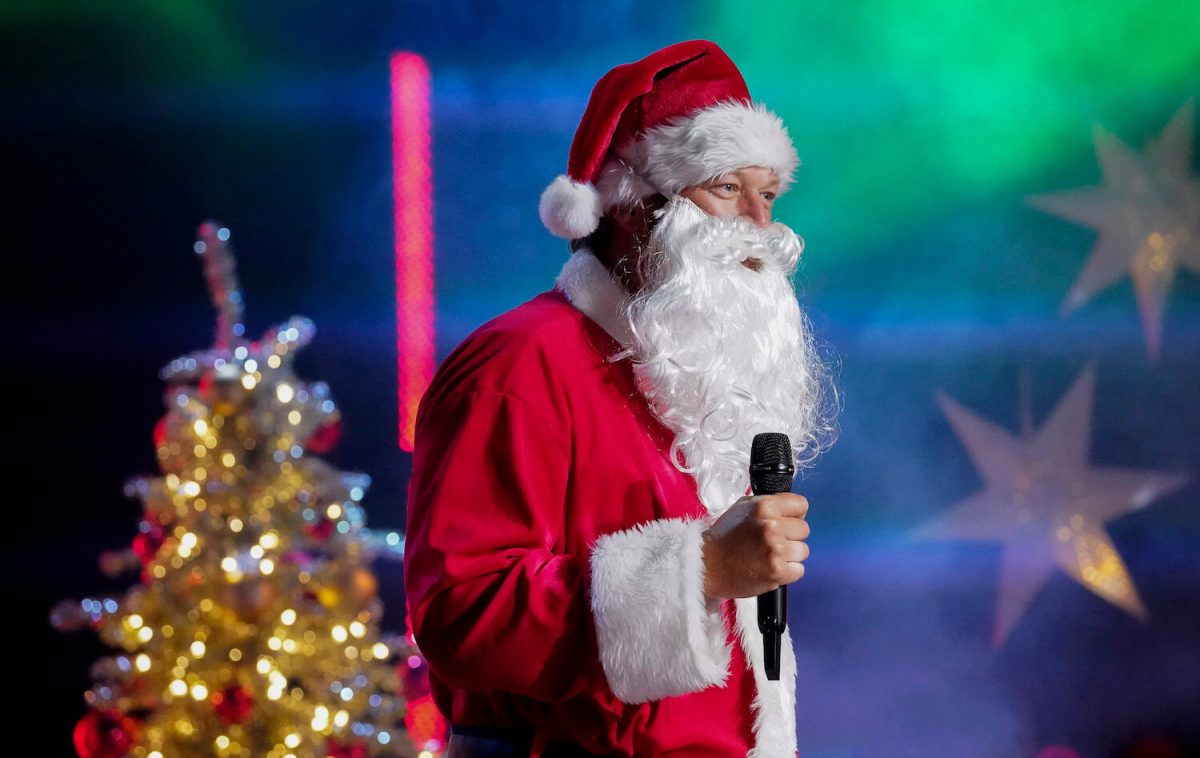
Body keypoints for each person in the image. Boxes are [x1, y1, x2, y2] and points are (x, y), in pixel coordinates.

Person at [404, 39, 835, 757]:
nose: (760, 227)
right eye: (726, 189)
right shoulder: (519, 365)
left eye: (769, 194)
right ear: (636, 203)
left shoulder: (693, 371)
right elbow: (461, 614)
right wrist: (702, 569)